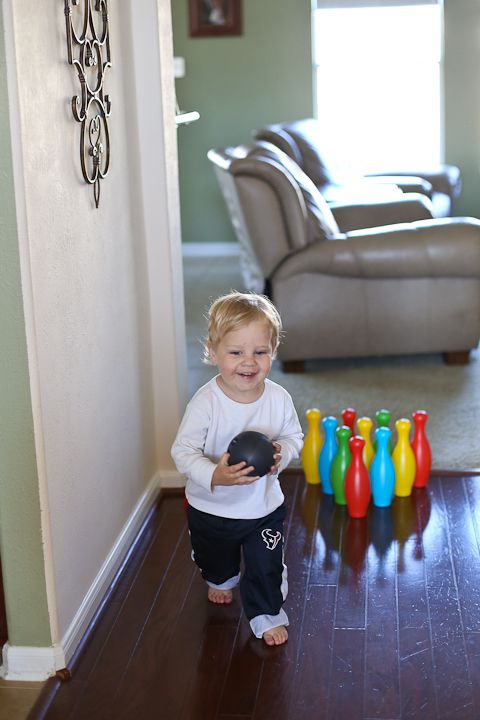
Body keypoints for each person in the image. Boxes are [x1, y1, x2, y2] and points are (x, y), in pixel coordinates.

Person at [171, 291, 303, 646]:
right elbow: (182, 451)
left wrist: (281, 453)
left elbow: (294, 436)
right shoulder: (206, 403)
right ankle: (220, 576)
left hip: (262, 509)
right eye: (235, 353)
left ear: (273, 351)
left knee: (266, 564)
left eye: (260, 352)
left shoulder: (278, 399)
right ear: (213, 352)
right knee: (216, 563)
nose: (249, 362)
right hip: (210, 508)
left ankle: (266, 614)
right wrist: (214, 474)